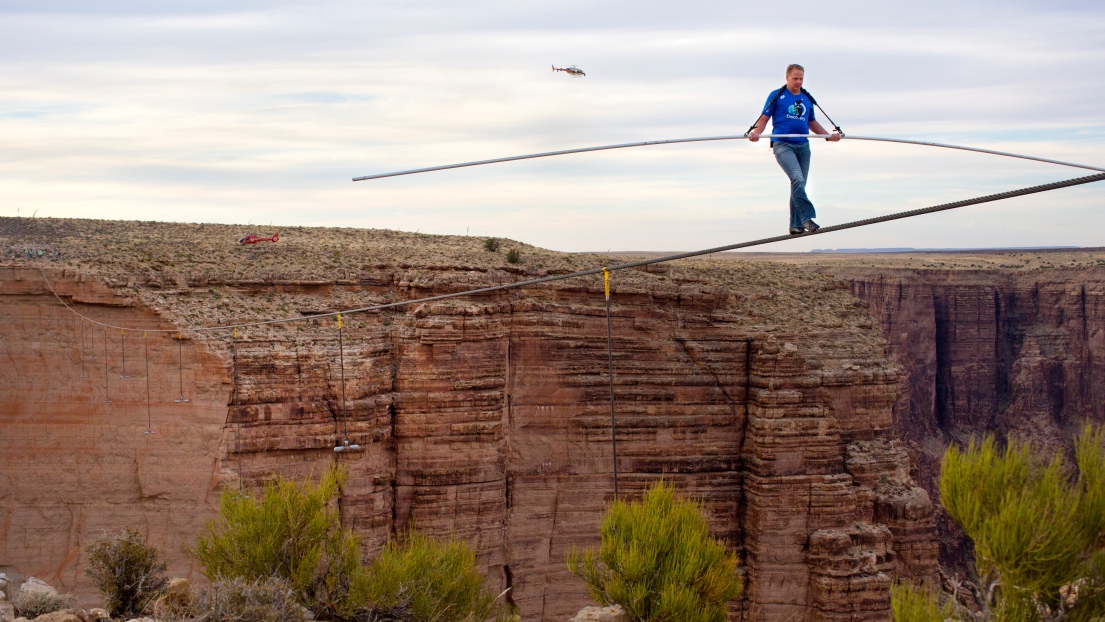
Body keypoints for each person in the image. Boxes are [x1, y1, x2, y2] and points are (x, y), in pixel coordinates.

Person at [748, 64, 840, 235]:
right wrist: (756, 133)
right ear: (787, 77)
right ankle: (806, 218)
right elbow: (764, 118)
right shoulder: (777, 95)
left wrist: (828, 136)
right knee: (797, 178)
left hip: (803, 146)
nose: (798, 82)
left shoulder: (806, 97)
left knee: (799, 184)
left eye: (801, 78)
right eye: (795, 78)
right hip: (783, 144)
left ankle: (795, 225)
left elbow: (811, 122)